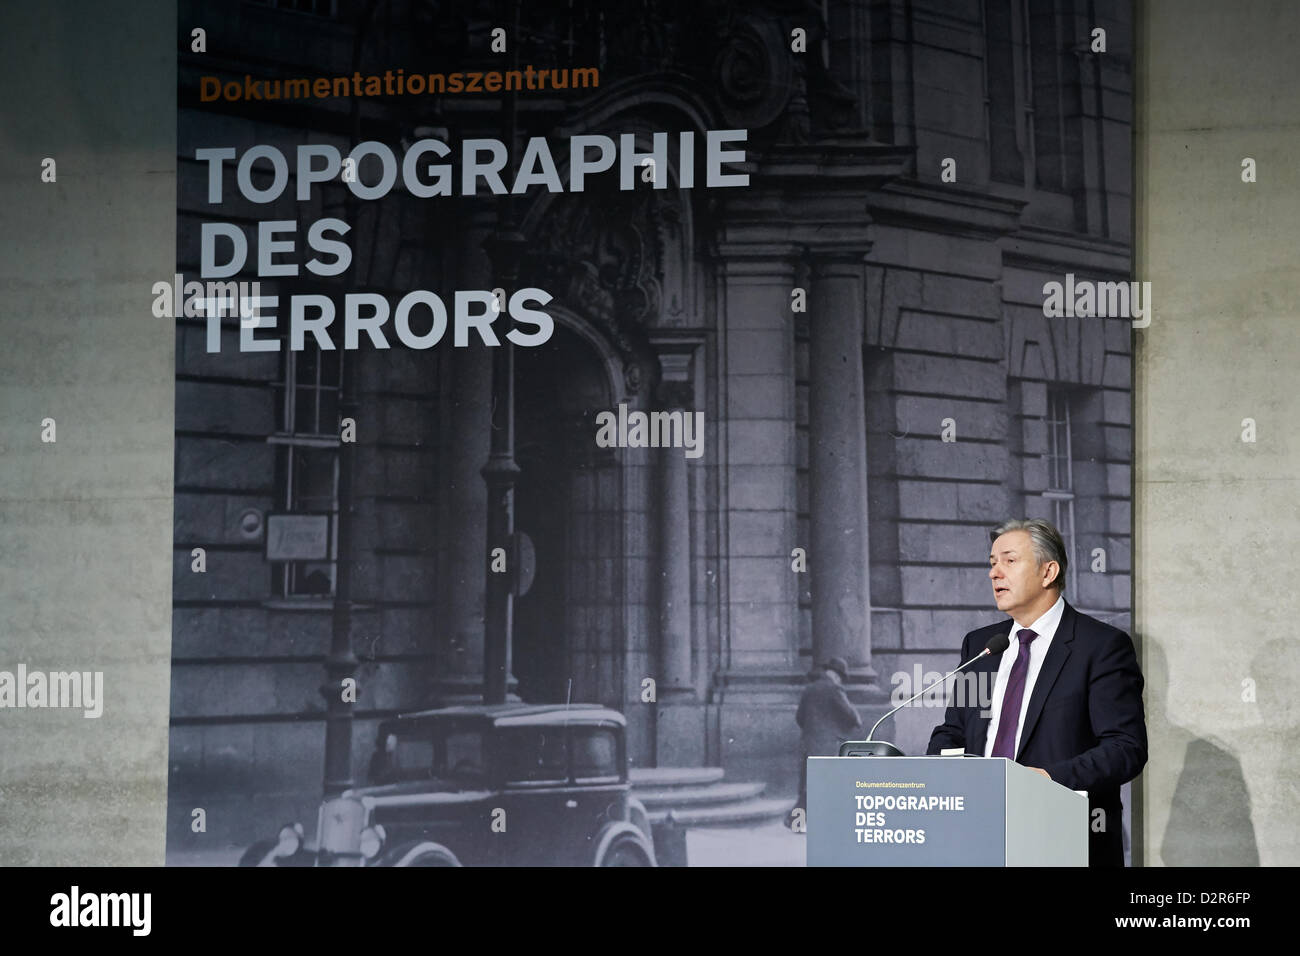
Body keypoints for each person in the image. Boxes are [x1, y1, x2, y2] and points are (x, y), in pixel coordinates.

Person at [927, 518, 1147, 866]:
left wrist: (1046, 779)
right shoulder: (981, 646)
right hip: (978, 835)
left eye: (1009, 561)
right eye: (992, 563)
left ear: (1048, 572)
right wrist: (938, 775)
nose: (994, 573)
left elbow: (1125, 748)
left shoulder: (1101, 647)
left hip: (1062, 838)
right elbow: (954, 731)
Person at [790, 656, 863, 829]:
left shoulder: (810, 689)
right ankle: (798, 820)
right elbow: (850, 715)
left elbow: (799, 717)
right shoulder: (835, 689)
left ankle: (798, 821)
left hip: (808, 742)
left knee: (808, 783)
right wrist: (855, 721)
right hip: (827, 745)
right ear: (837, 675)